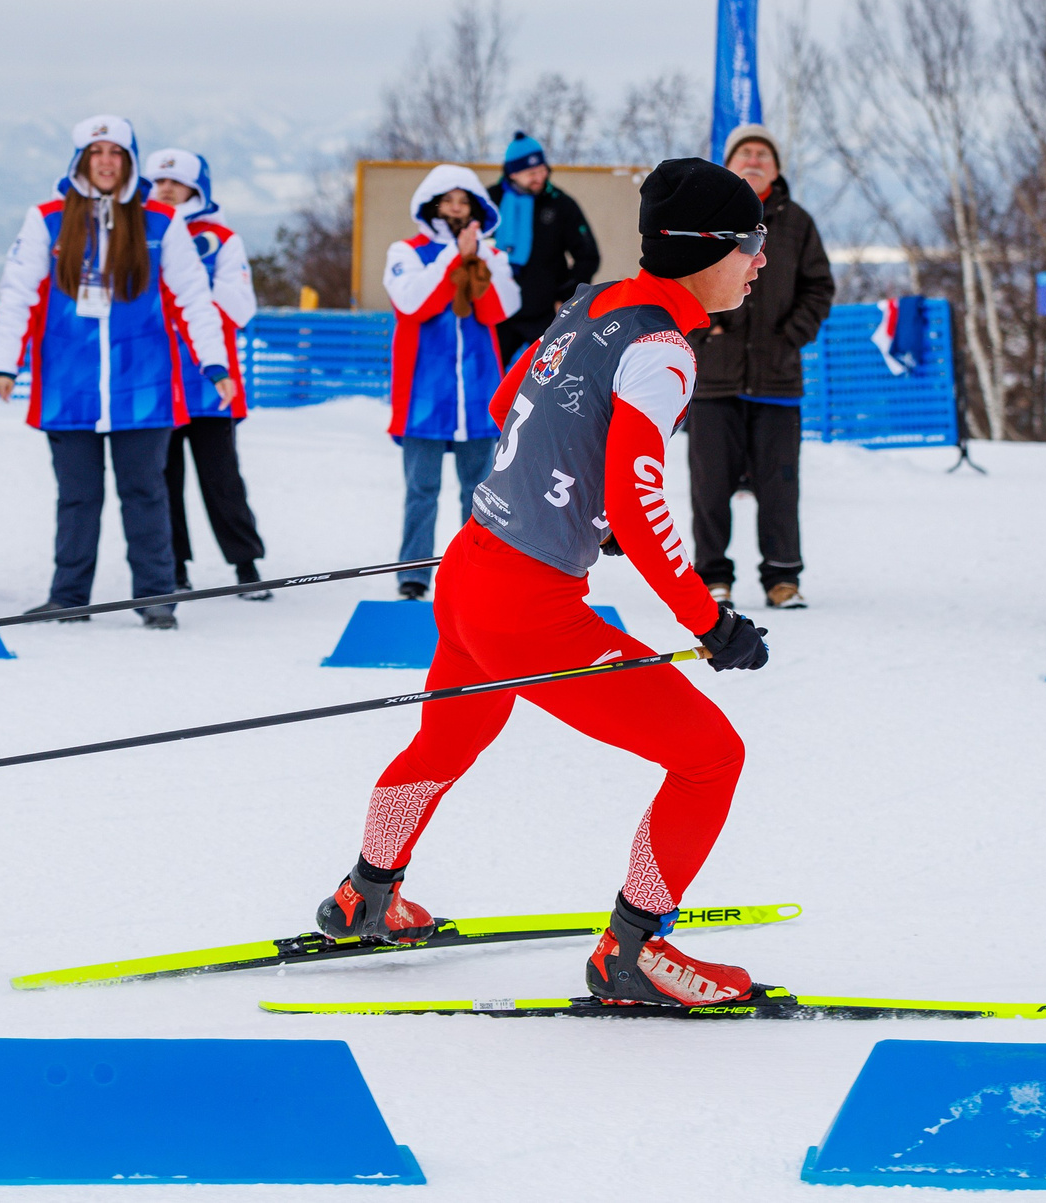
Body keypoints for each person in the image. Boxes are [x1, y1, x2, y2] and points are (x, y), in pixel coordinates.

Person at [311, 157, 775, 1009]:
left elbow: (508, 408)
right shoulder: (663, 350)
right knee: (711, 755)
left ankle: (364, 893)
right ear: (707, 249)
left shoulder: (594, 301)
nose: (760, 261)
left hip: (471, 568)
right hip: (530, 607)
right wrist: (711, 620)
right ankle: (633, 951)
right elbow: (640, 507)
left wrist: (573, 506)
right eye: (752, 242)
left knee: (448, 740)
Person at [0, 116, 232, 625]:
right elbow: (18, 292)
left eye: (115, 152)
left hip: (142, 387)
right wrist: (2, 362)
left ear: (129, 161)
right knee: (77, 497)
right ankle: (69, 596)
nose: (105, 161)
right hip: (67, 386)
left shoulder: (161, 221)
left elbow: (194, 298)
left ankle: (156, 595)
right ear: (80, 161)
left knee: (145, 492)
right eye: (95, 152)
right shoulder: (48, 218)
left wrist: (215, 363)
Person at [686, 123, 835, 610]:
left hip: (777, 379)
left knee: (779, 486)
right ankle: (712, 579)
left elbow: (819, 287)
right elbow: (680, 275)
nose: (754, 159)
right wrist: (704, 330)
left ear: (777, 166)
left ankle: (782, 578)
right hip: (714, 379)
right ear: (730, 162)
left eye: (763, 154)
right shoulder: (705, 216)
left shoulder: (797, 222)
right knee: (710, 489)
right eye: (745, 152)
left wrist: (790, 338)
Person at [381, 164, 519, 601]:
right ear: (432, 206)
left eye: (465, 202)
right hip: (425, 397)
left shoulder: (492, 255)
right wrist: (452, 257)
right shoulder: (405, 251)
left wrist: (477, 259)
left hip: (479, 396)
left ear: (477, 208)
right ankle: (414, 574)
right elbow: (412, 303)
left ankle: (473, 573)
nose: (456, 209)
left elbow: (502, 310)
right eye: (448, 201)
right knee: (421, 490)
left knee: (480, 494)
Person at [144, 147, 271, 600]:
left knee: (222, 478)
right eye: (158, 182)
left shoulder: (221, 237)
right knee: (162, 480)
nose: (165, 190)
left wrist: (188, 291)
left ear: (196, 188)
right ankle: (173, 567)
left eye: (175, 182)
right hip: (156, 382)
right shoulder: (141, 233)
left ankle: (246, 565)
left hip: (209, 385)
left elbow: (238, 306)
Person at [486, 130, 599, 364]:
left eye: (542, 170)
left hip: (545, 313)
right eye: (531, 173)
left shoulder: (561, 204)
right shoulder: (489, 201)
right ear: (512, 173)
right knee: (488, 377)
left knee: (549, 378)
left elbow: (588, 256)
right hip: (497, 313)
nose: (539, 177)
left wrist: (566, 298)